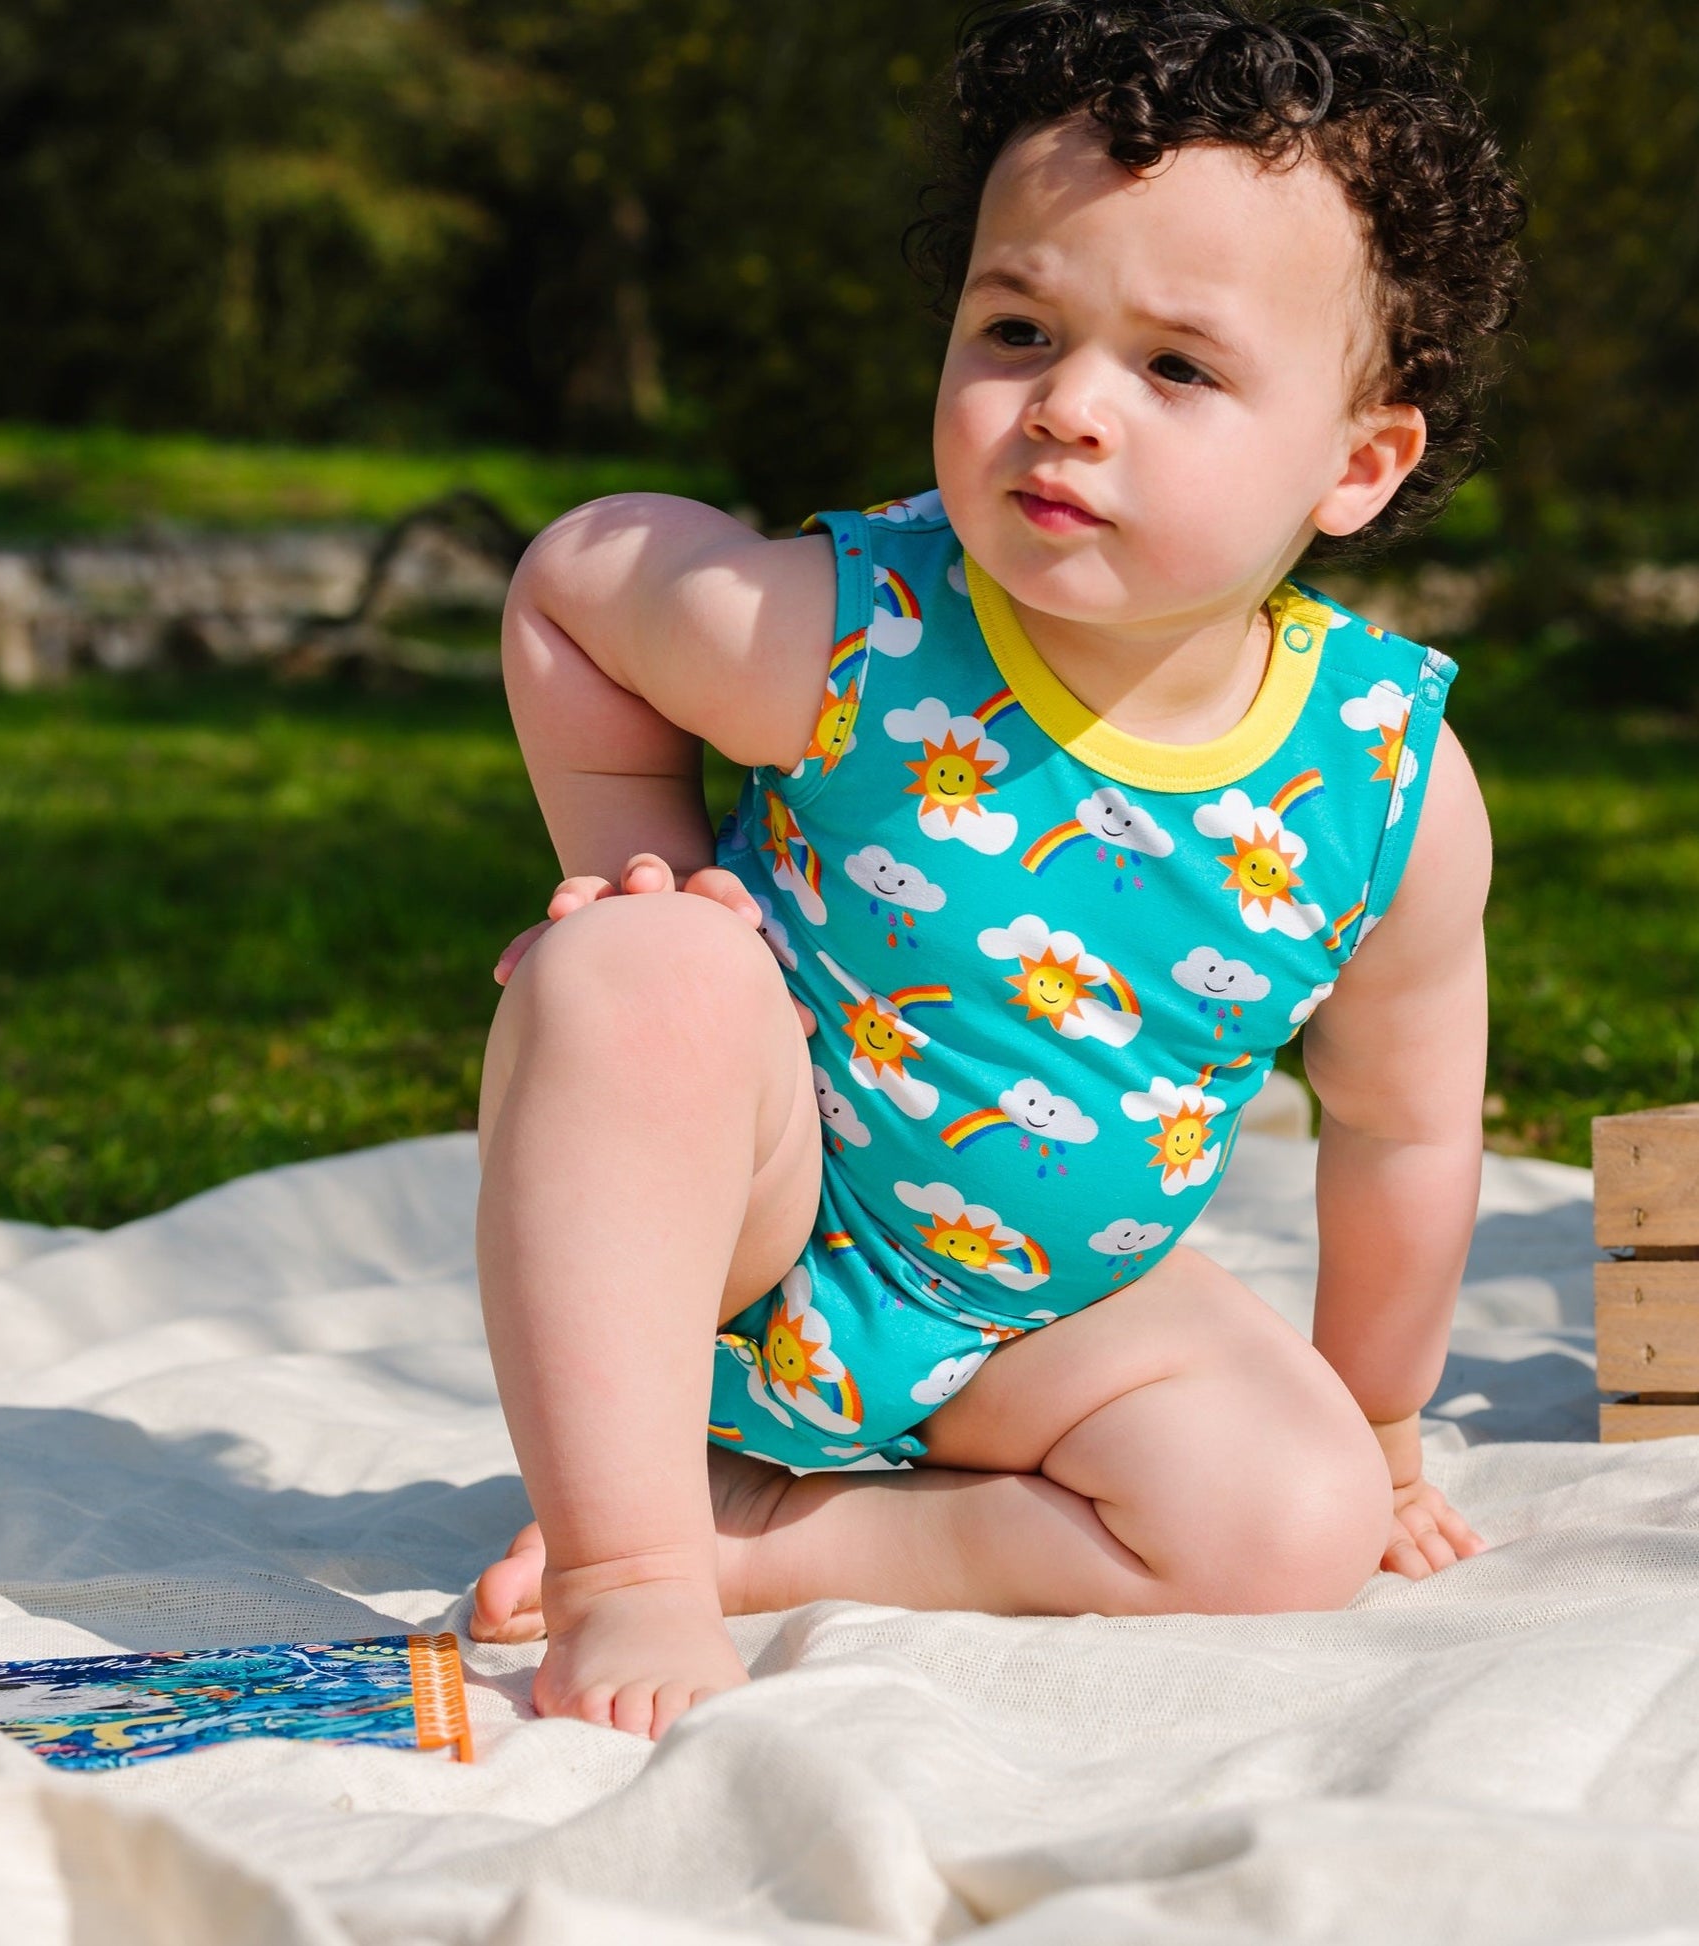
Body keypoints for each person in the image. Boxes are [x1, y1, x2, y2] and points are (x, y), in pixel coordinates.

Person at [467, 0, 1526, 1740]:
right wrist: (638, 864)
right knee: (637, 973)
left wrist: (1385, 1427)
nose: (1068, 409)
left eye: (1175, 368)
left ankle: (766, 1537)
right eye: (1018, 329)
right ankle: (628, 1562)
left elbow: (1405, 1130)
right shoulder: (847, 634)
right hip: (747, 1238)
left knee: (1293, 1511)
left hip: (1041, 1322)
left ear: (1354, 463)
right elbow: (580, 579)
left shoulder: (1382, 784)